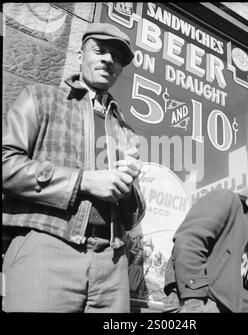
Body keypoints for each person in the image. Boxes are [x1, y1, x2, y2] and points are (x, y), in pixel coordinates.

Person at [2, 22, 145, 313]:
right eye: (100, 51)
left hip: (112, 263)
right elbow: (5, 163)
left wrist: (129, 191)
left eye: (116, 57)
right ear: (80, 55)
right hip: (46, 247)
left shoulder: (126, 132)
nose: (108, 59)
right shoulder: (41, 98)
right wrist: (83, 181)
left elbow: (133, 217)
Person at [163, 184, 248, 313]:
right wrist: (194, 300)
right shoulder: (228, 199)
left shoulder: (239, 229)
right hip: (199, 302)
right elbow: (189, 241)